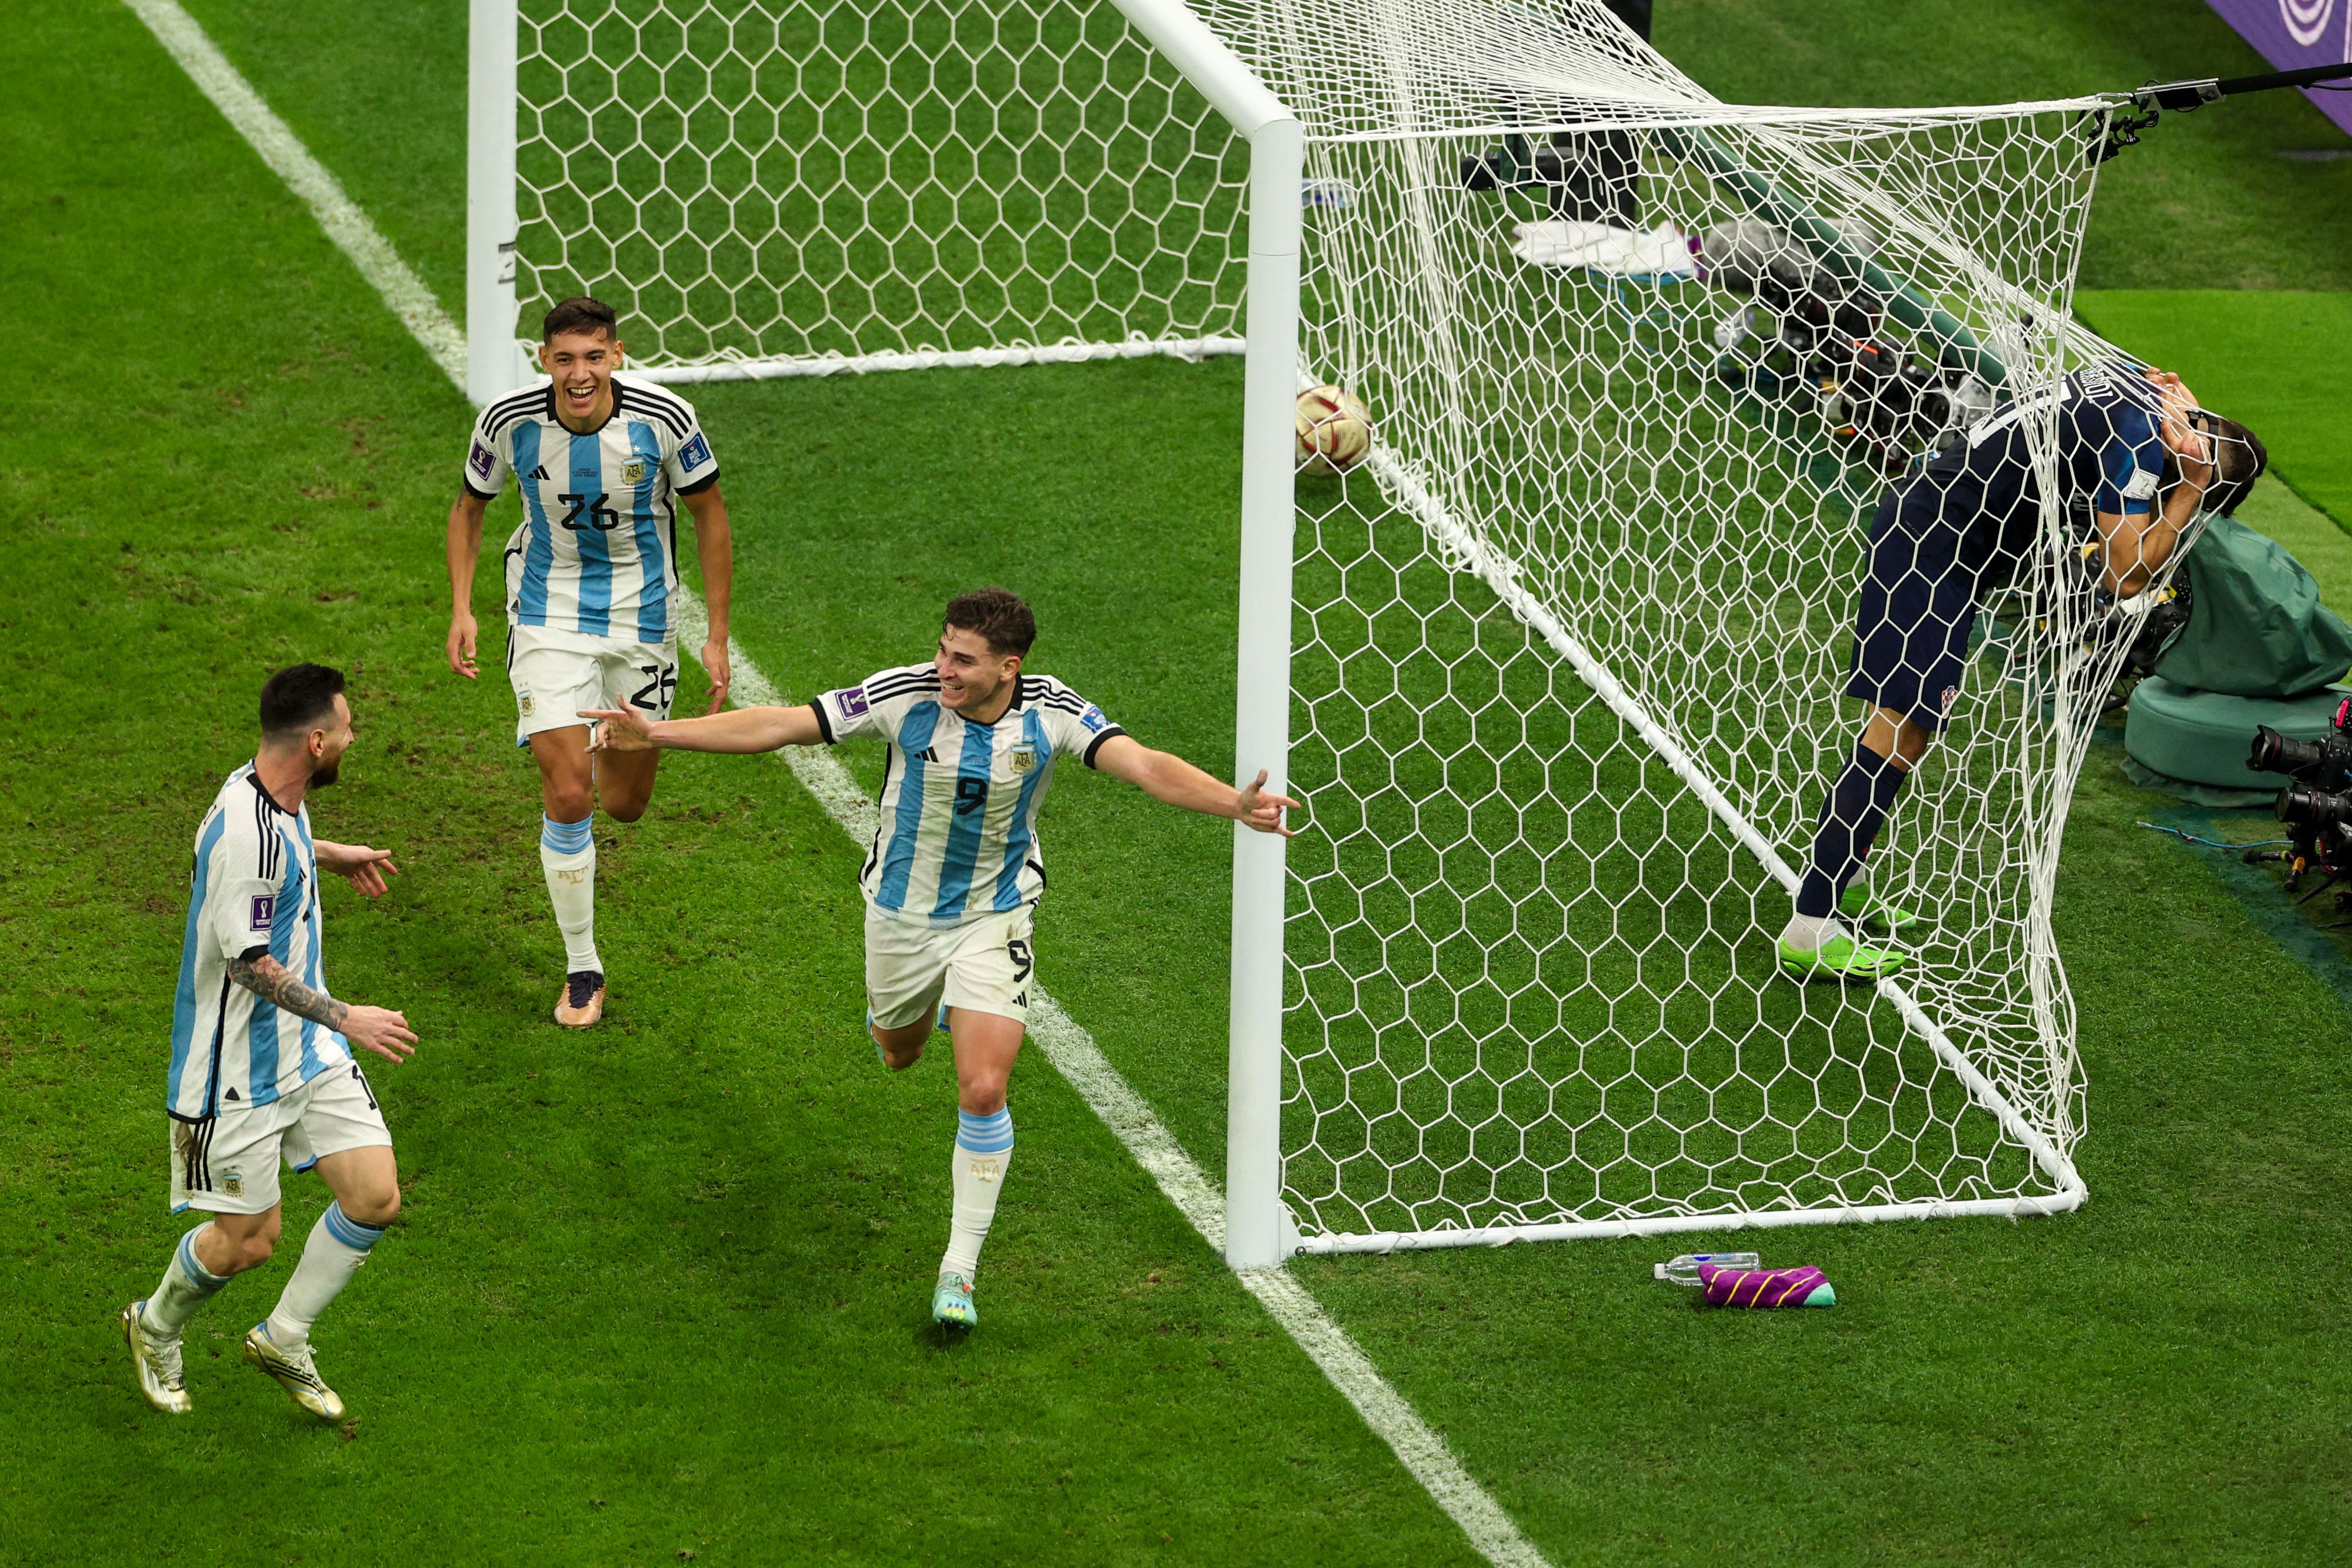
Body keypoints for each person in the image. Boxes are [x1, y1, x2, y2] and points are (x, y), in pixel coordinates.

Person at [583, 588, 1298, 1328]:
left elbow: (1143, 764)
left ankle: (958, 1271)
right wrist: (661, 735)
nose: (943, 667)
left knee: (985, 1087)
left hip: (996, 915)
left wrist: (1231, 804)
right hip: (900, 917)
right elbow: (784, 724)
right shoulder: (906, 695)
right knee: (898, 1051)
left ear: (1007, 667)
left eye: (962, 658)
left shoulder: (1051, 710)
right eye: (943, 649)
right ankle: (920, 1013)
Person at [1778, 364, 2267, 981]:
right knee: (1900, 732)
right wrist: (2192, 489)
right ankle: (1810, 924)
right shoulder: (2144, 442)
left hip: (1935, 531)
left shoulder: (2141, 391)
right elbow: (2124, 574)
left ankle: (1839, 881)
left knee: (1904, 730)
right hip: (1933, 549)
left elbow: (2161, 394)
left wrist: (2188, 428)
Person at [121, 664, 420, 1421]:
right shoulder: (247, 836)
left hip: (306, 1055)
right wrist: (347, 1015)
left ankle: (285, 1335)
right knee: (249, 1240)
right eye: (348, 729)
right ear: (316, 742)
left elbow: (277, 849)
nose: (355, 738)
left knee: (376, 1195)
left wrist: (330, 851)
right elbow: (250, 965)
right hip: (232, 1078)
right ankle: (154, 1325)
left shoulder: (274, 794)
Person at [444, 295, 736, 1028]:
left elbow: (710, 515)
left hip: (643, 620)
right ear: (544, 359)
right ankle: (583, 967)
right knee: (570, 794)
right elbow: (469, 508)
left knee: (624, 804)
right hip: (546, 615)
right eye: (565, 358)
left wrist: (717, 633)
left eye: (594, 356)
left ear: (618, 355)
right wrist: (462, 607)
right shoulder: (508, 420)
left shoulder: (664, 419)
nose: (580, 373)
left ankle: (597, 741)